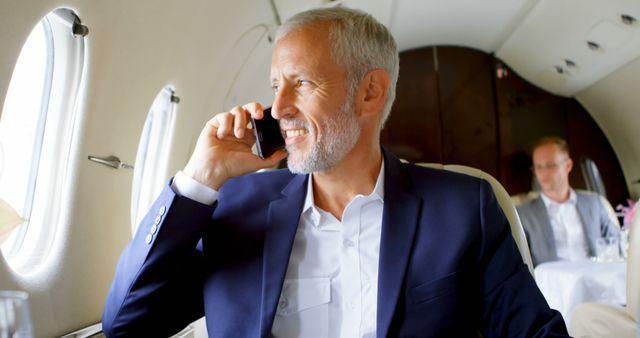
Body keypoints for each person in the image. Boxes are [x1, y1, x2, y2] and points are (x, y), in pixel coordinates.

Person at [102, 7, 568, 337]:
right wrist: (198, 179)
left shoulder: (465, 207)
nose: (278, 107)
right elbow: (127, 324)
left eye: (301, 82)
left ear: (369, 93)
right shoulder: (236, 204)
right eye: (275, 86)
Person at [517, 137, 620, 266]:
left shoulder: (595, 204)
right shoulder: (522, 214)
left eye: (550, 165)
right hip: (549, 283)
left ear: (568, 165)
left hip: (596, 279)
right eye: (538, 167)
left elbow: (617, 243)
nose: (544, 173)